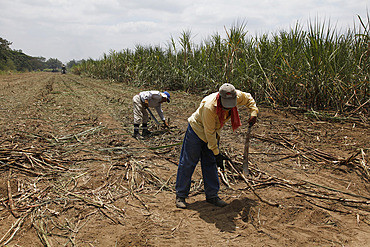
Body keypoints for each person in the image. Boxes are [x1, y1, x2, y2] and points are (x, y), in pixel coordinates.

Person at [175, 83, 258, 209]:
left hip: (213, 133)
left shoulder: (237, 96)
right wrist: (217, 153)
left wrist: (254, 112)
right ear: (220, 98)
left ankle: (212, 196)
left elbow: (249, 98)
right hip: (197, 131)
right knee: (188, 162)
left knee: (210, 163)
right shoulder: (209, 106)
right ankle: (181, 195)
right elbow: (209, 133)